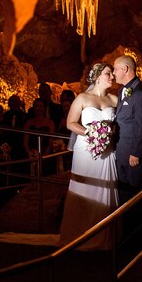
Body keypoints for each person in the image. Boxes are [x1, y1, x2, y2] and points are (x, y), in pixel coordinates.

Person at [58, 63, 119, 251]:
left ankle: (103, 237)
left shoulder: (114, 100)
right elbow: (70, 123)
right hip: (86, 151)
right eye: (108, 74)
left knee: (105, 188)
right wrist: (91, 133)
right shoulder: (83, 98)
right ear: (98, 76)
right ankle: (78, 234)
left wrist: (109, 133)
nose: (112, 77)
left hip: (107, 152)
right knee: (85, 188)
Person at [112, 54, 142, 255]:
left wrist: (136, 152)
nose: (113, 73)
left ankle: (134, 245)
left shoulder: (141, 93)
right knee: (125, 198)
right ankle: (126, 239)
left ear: (126, 69)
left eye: (115, 69)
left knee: (137, 200)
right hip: (122, 153)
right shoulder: (124, 91)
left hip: (134, 156)